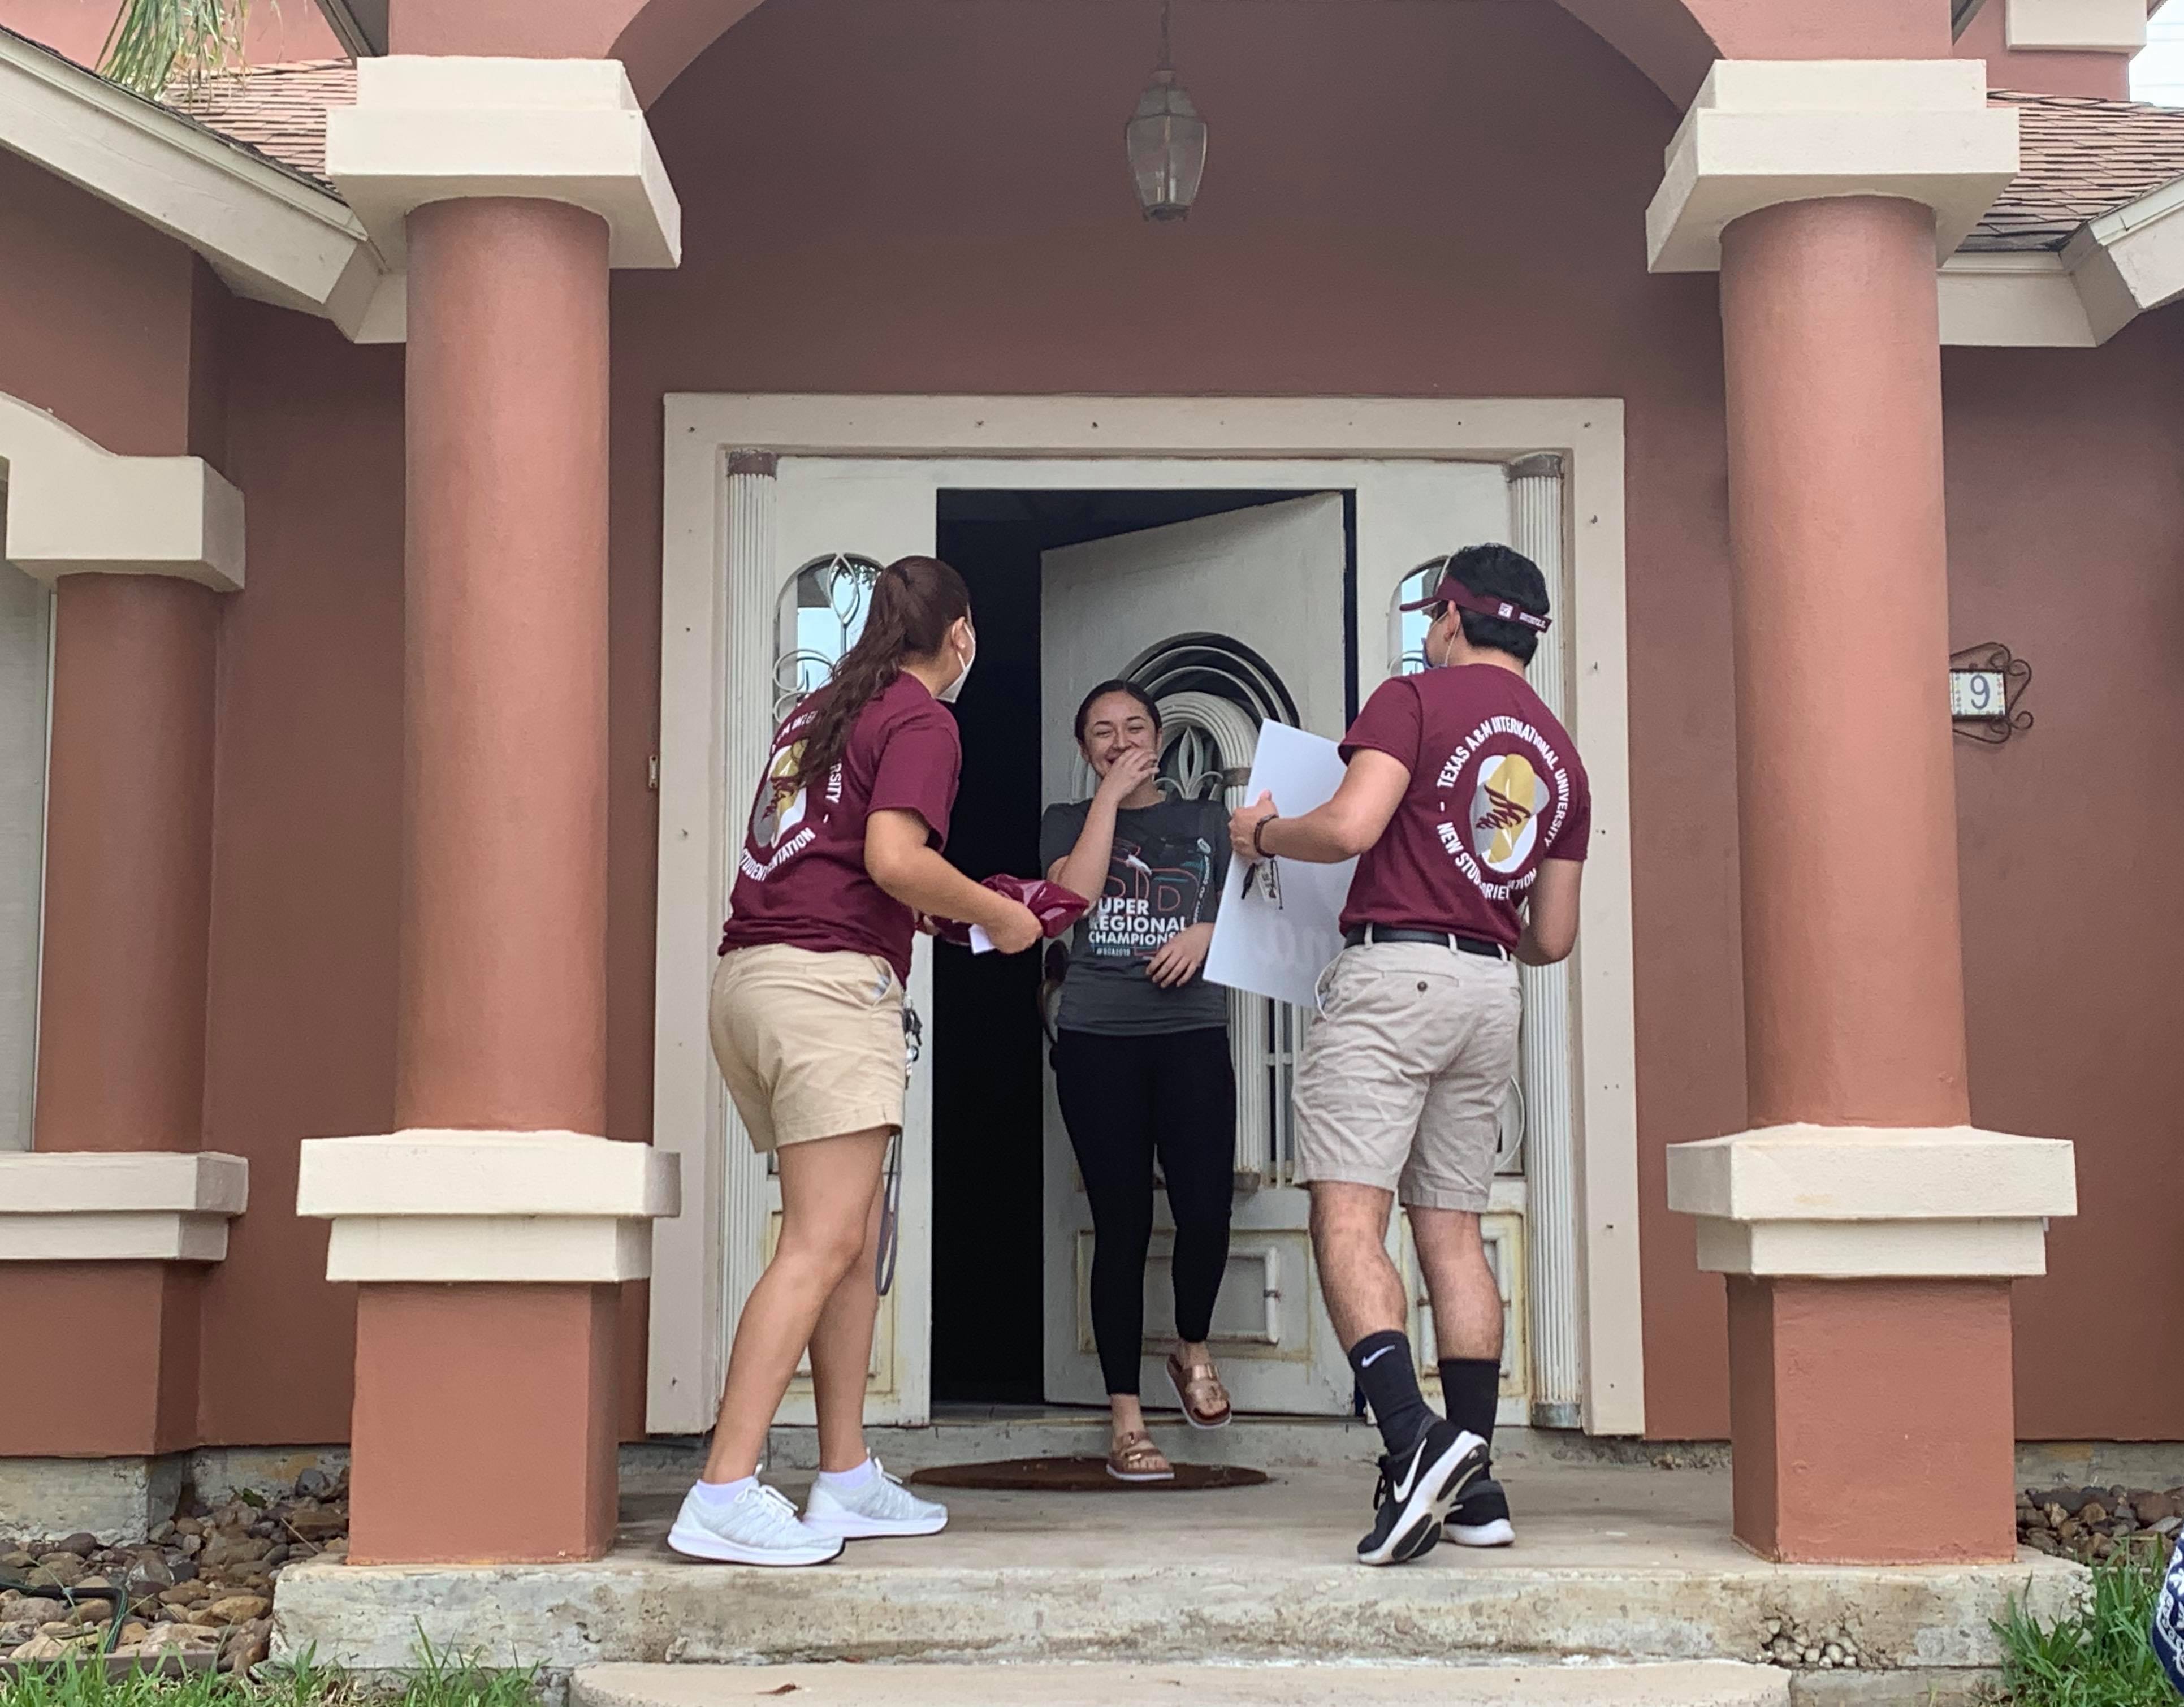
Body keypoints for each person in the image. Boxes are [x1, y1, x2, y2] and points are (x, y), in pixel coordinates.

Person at [670, 555, 1044, 1567]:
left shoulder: (826, 710)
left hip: (751, 980)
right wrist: (1004, 914)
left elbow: (849, 861)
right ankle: (723, 1488)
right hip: (829, 993)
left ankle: (844, 1475)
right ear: (959, 632)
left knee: (848, 1235)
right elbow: (893, 858)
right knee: (820, 1240)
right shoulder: (923, 717)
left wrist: (939, 905)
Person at [1229, 543, 1589, 1566]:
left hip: (1396, 980)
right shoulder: (1562, 758)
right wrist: (1473, 906)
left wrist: (1261, 834)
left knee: (1348, 1216)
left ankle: (1411, 1439)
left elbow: (1346, 829)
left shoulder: (1415, 700)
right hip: (1489, 992)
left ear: (1450, 617)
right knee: (1455, 1234)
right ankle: (1476, 1484)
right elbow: (1552, 938)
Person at [1041, 680, 1237, 1483]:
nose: (1118, 741)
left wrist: (1208, 932)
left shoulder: (1209, 823)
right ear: (1085, 750)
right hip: (1098, 1038)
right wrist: (1109, 803)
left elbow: (1279, 913)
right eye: (1100, 733)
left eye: (1132, 728)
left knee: (1206, 1211)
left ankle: (1191, 1345)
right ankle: (1126, 1418)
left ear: (1159, 736)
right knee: (1123, 1225)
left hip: (1192, 1034)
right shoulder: (1065, 820)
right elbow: (1071, 899)